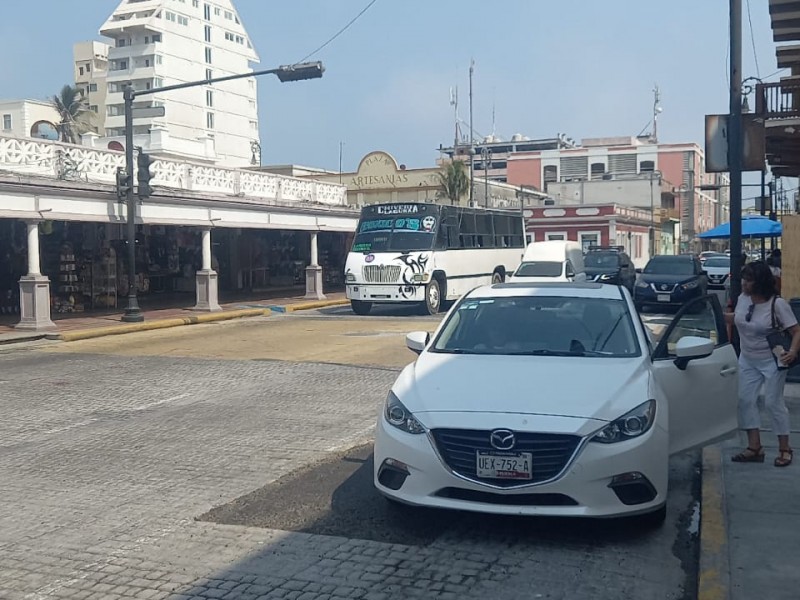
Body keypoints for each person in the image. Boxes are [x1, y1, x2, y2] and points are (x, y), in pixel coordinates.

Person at [726, 261, 800, 467]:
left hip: (772, 360)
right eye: (744, 278)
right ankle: (754, 447)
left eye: (749, 280)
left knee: (772, 402)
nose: (744, 283)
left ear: (760, 283)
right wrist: (721, 316)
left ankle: (785, 449)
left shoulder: (777, 304)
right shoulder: (743, 299)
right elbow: (739, 318)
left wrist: (792, 352)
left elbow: (796, 331)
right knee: (744, 400)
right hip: (747, 359)